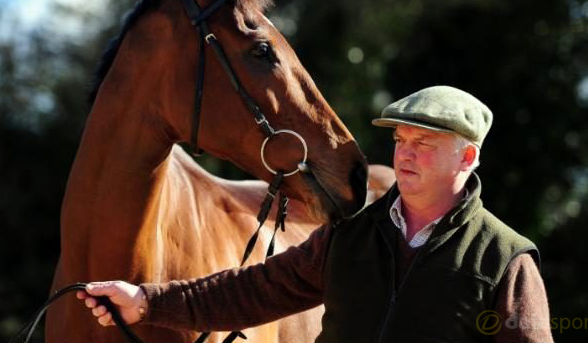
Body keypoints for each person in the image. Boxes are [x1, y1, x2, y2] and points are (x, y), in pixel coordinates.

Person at [78, 85, 554, 342]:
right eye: (401, 142)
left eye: (424, 144)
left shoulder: (504, 260)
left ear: (467, 158)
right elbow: (252, 290)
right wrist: (146, 301)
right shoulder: (351, 235)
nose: (405, 156)